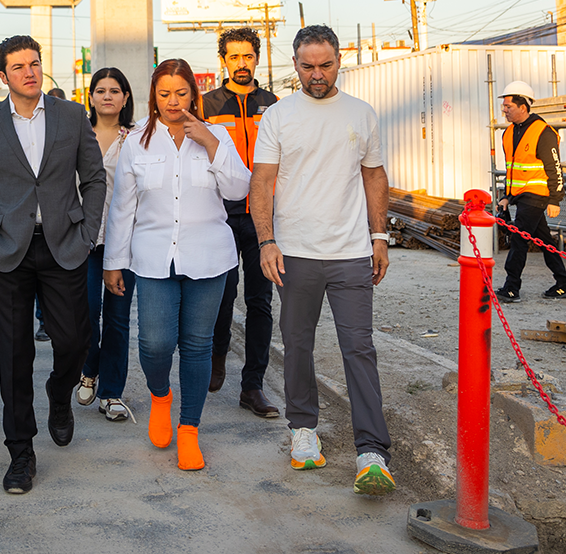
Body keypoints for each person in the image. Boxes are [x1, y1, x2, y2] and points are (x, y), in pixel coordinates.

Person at [0, 35, 106, 495]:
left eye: (35, 64)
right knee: (15, 356)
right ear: (3, 76)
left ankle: (59, 396)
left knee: (74, 340)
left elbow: (95, 178)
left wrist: (86, 235)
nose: (29, 72)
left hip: (63, 246)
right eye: (19, 66)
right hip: (6, 252)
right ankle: (21, 453)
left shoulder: (70, 115)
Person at [251, 25, 395, 496]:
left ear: (339, 61)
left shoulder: (362, 114)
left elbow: (373, 176)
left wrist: (379, 236)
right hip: (294, 254)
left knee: (360, 348)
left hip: (352, 252)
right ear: (295, 64)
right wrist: (266, 242)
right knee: (297, 345)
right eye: (308, 66)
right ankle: (303, 431)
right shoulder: (278, 116)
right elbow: (262, 182)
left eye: (326, 65)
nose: (317, 74)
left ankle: (372, 451)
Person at [104, 59, 249, 471]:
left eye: (181, 93)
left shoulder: (216, 135)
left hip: (209, 257)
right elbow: (122, 209)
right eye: (164, 94)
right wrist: (113, 263)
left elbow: (239, 188)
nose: (172, 101)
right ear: (153, 95)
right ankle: (160, 395)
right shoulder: (136, 142)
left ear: (193, 94)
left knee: (198, 345)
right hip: (152, 258)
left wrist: (210, 142)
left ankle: (190, 429)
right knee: (154, 343)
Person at [203, 27, 280, 417]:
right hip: (220, 217)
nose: (241, 63)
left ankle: (253, 386)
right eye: (233, 57)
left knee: (260, 304)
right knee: (221, 295)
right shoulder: (207, 105)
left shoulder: (275, 105)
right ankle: (217, 355)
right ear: (224, 61)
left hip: (262, 219)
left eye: (247, 56)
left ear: (257, 58)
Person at [76, 67, 137, 422]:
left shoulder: (136, 139)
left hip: (123, 242)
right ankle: (88, 369)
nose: (108, 96)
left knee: (117, 320)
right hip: (82, 241)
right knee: (85, 317)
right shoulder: (76, 135)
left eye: (115, 90)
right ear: (92, 97)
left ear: (125, 98)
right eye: (101, 90)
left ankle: (112, 392)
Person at [495, 81, 566, 302]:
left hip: (537, 195)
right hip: (519, 195)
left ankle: (511, 288)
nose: (504, 110)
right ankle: (565, 283)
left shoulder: (543, 132)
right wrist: (506, 196)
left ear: (524, 106)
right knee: (544, 241)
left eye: (508, 106)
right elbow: (512, 168)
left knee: (519, 239)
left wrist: (555, 199)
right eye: (504, 106)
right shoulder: (509, 133)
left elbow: (554, 168)